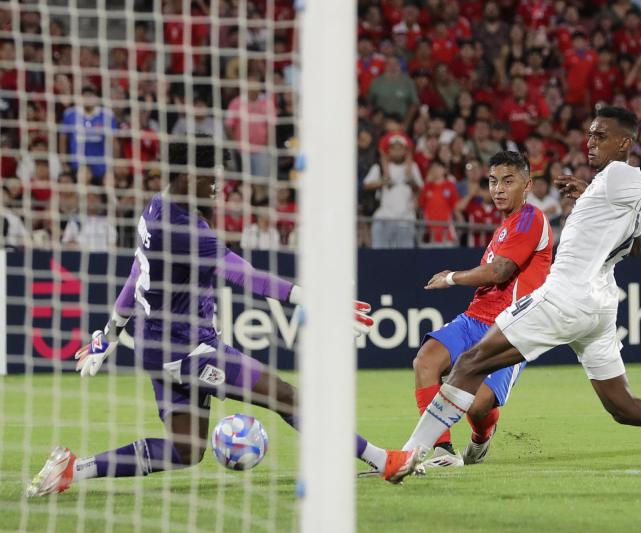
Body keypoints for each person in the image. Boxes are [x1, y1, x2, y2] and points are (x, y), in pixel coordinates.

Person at [382, 106, 641, 484]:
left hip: (566, 296)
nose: (590, 141)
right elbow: (635, 246)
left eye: (601, 136)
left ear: (624, 144)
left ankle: (408, 456)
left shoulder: (622, 175)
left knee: (469, 363)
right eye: (589, 134)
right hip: (600, 307)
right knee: (622, 406)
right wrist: (590, 194)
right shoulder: (609, 187)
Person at [24, 140, 421, 497]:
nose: (219, 185)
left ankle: (74, 470)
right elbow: (245, 275)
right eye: (210, 177)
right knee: (285, 396)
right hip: (187, 350)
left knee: (185, 449)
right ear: (186, 176)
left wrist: (109, 335)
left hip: (156, 345)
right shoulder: (186, 231)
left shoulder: (156, 207)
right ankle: (381, 459)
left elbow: (136, 274)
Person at [410, 151, 552, 469]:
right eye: (492, 181)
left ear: (527, 185)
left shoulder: (531, 218)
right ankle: (443, 451)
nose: (498, 188)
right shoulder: (504, 227)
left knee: (478, 406)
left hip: (511, 328)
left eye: (508, 181)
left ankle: (480, 438)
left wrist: (451, 277)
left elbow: (499, 272)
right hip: (476, 317)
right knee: (426, 361)